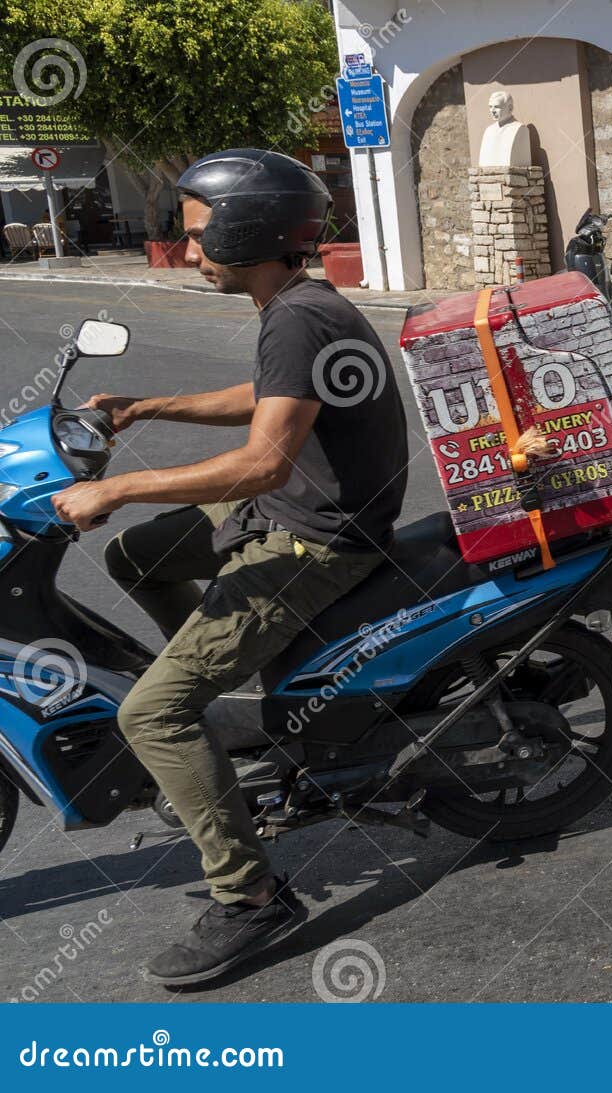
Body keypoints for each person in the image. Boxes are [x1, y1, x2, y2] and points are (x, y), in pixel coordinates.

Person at [50, 148, 410, 986]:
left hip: (313, 539)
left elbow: (263, 464)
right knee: (135, 556)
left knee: (153, 714)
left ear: (251, 232)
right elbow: (268, 397)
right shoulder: (298, 305)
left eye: (200, 234)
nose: (186, 250)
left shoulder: (297, 315)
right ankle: (231, 692)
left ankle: (250, 898)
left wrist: (124, 486)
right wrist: (147, 405)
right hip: (290, 512)